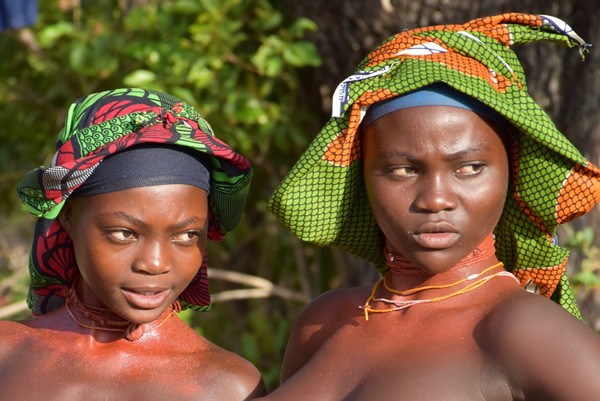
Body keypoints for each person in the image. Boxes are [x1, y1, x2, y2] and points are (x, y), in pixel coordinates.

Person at [263, 13, 600, 400]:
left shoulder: (522, 331)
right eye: (402, 169)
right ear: (362, 178)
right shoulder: (322, 322)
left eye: (469, 168)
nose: (435, 199)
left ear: (512, 172)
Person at [0, 88, 265, 400]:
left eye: (186, 235)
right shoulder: (7, 353)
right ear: (69, 218)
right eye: (124, 233)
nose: (155, 264)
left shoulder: (228, 386)